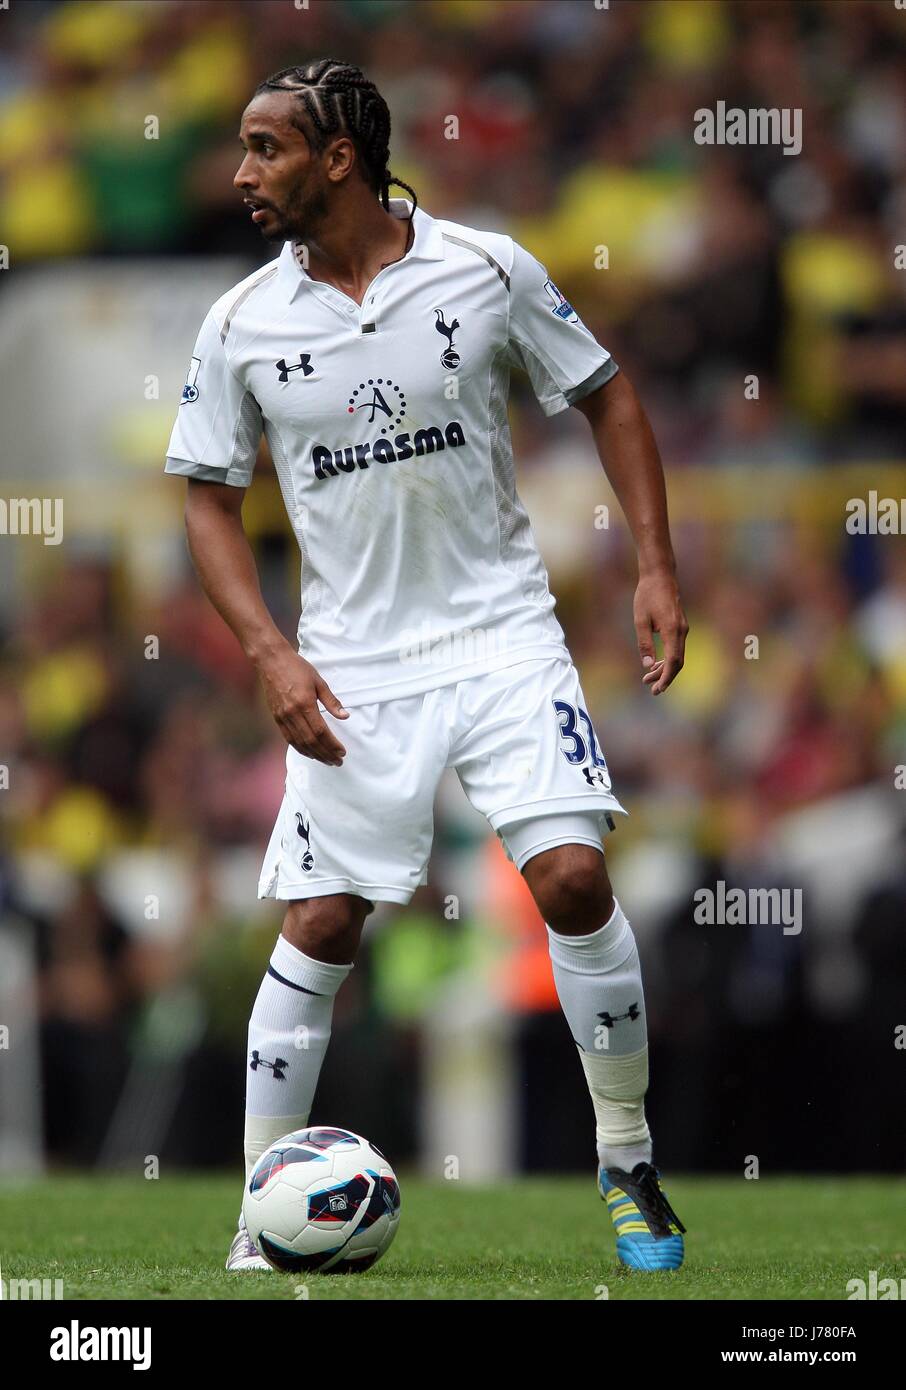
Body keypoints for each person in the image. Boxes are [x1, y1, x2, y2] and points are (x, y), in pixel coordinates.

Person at [165, 58, 689, 1274]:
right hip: (352, 664)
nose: (242, 174)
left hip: (505, 633)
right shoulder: (241, 322)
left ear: (337, 158)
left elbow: (607, 397)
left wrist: (655, 567)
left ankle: (626, 1157)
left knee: (569, 880)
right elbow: (203, 499)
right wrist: (268, 650)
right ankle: (260, 1210)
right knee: (324, 917)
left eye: (265, 149)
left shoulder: (487, 268)